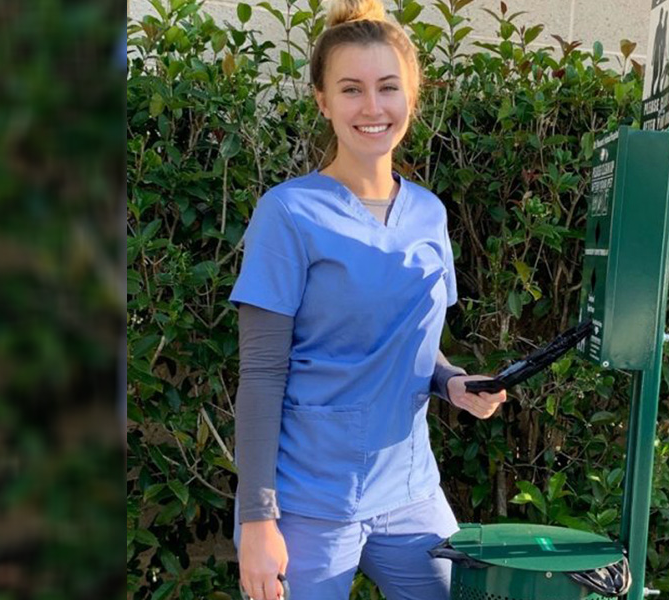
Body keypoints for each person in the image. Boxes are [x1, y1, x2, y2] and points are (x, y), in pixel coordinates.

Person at [228, 1, 508, 599]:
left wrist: (452, 382)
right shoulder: (288, 213)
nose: (372, 107)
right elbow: (259, 375)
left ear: (412, 96)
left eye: (388, 88)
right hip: (308, 502)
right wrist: (256, 520)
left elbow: (415, 346)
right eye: (351, 89)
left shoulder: (429, 214)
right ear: (323, 102)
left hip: (410, 495)